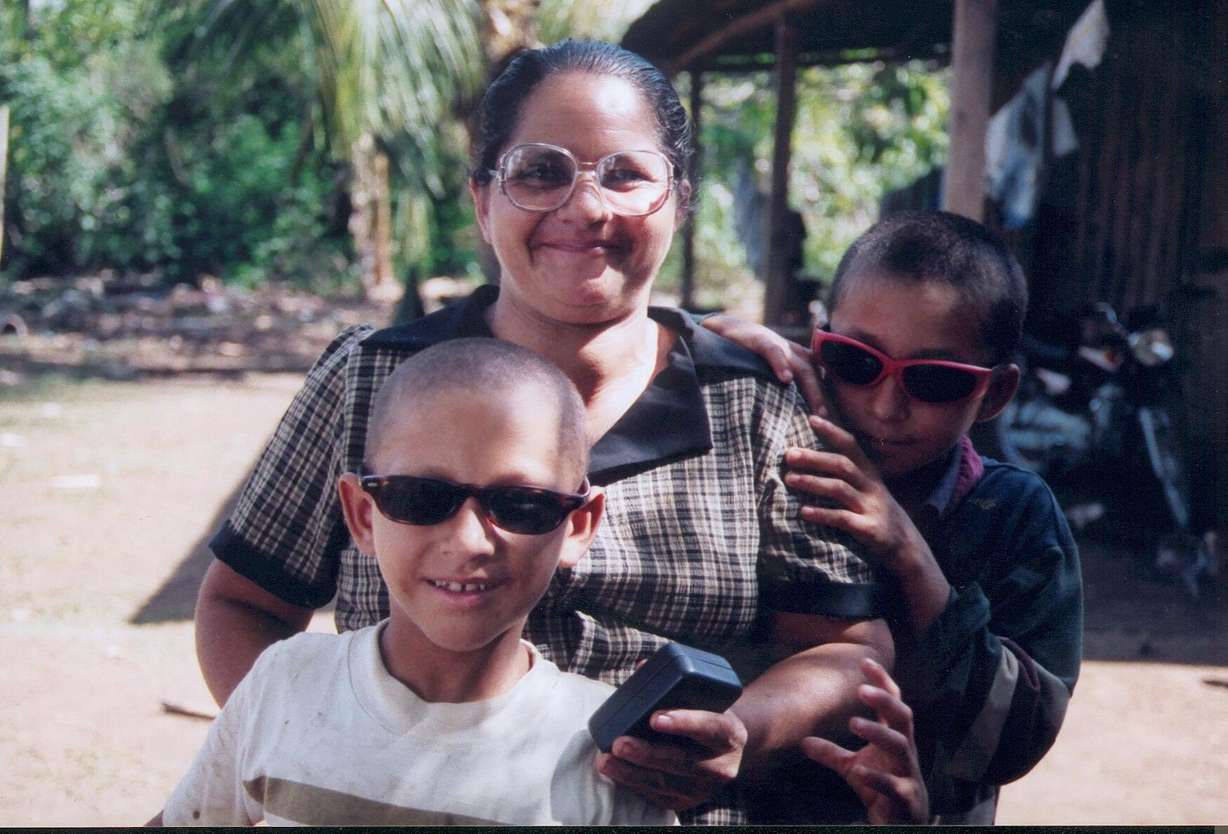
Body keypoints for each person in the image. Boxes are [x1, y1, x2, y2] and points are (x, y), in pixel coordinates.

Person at [193, 39, 893, 824]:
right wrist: (329, 752)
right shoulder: (371, 378)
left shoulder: (756, 406)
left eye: (626, 174)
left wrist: (741, 732)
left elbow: (845, 647)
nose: (585, 209)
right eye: (540, 171)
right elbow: (242, 603)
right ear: (481, 200)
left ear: (680, 199)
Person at [152, 339, 678, 826]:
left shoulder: (604, 754)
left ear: (578, 525)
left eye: (521, 504)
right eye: (419, 498)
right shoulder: (283, 684)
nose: (469, 541)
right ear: (361, 514)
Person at [779, 211, 1083, 823]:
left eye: (935, 380)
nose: (886, 406)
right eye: (856, 362)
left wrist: (909, 553)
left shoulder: (1017, 516)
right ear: (817, 345)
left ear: (994, 394)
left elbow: (1015, 740)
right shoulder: (775, 460)